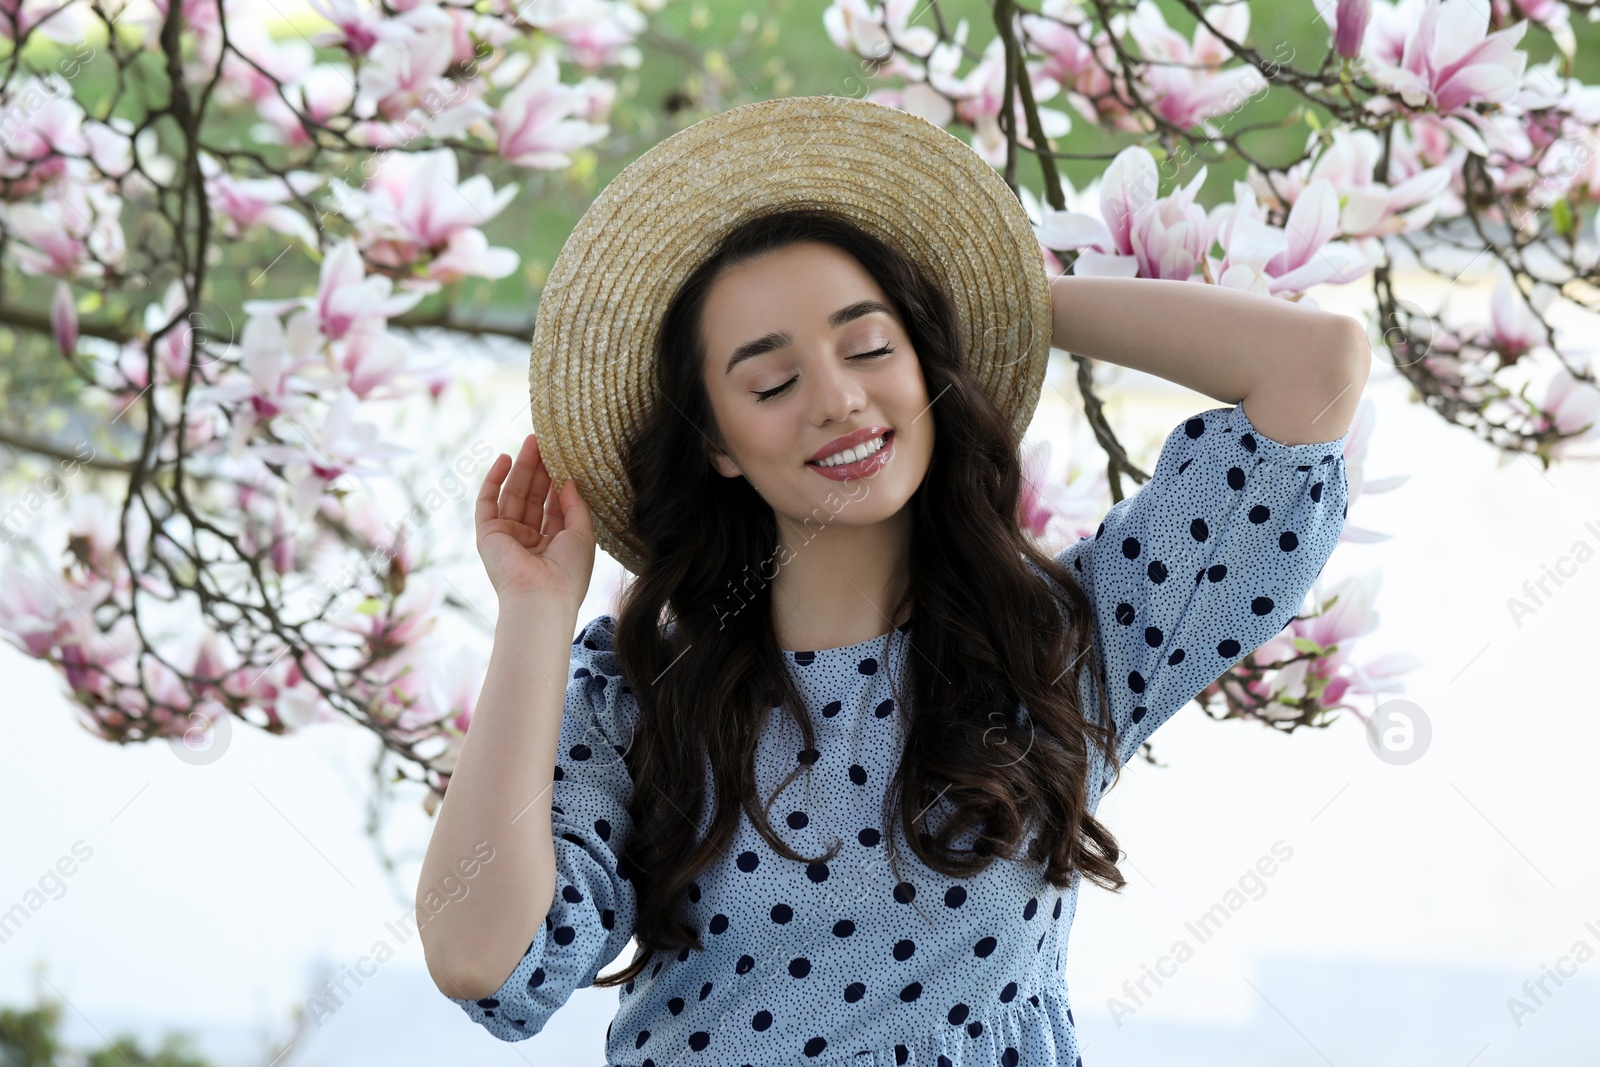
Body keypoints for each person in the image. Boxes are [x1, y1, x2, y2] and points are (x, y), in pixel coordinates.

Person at [417, 96, 1368, 1065]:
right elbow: (480, 960)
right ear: (718, 445)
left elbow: (1314, 366)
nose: (837, 398)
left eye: (870, 346)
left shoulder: (1060, 646)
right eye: (771, 382)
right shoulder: (639, 694)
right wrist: (534, 612)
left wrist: (999, 301)